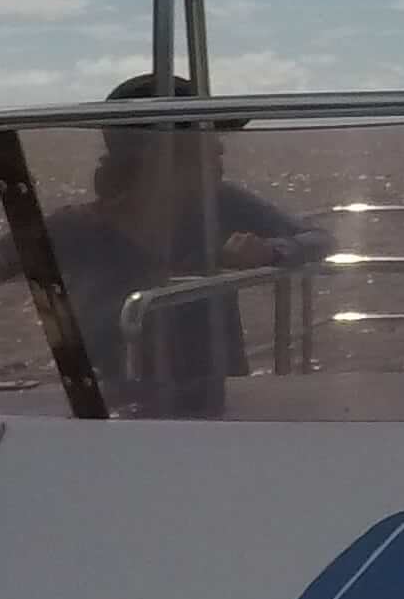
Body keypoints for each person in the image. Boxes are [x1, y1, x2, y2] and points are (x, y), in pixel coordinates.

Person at [37, 72, 326, 415]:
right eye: (205, 135)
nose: (220, 148)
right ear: (161, 152)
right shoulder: (78, 226)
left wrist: (270, 251)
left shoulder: (221, 202)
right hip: (111, 410)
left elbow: (318, 238)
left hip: (213, 401)